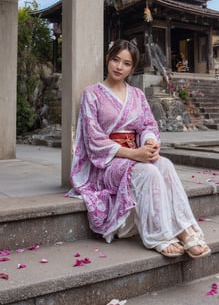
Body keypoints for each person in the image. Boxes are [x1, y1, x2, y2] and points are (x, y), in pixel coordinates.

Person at [68, 39, 210, 258]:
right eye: (115, 60)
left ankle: (185, 229)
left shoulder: (137, 95)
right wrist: (133, 154)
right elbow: (93, 138)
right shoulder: (92, 94)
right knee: (148, 171)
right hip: (107, 164)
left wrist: (150, 143)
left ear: (132, 68)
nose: (119, 67)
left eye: (126, 63)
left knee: (165, 165)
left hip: (137, 153)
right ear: (108, 59)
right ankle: (159, 236)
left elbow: (147, 125)